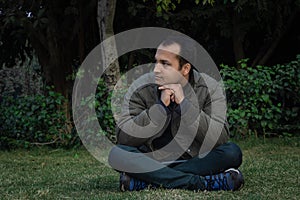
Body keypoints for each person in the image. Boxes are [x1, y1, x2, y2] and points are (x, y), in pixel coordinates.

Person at [108, 35, 244, 192]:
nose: (156, 69)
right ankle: (201, 183)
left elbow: (220, 137)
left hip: (194, 160)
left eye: (165, 64)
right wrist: (159, 108)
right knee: (117, 154)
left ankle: (146, 180)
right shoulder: (141, 87)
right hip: (150, 159)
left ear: (185, 69)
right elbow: (123, 137)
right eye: (156, 61)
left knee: (232, 152)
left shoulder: (209, 88)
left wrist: (185, 104)